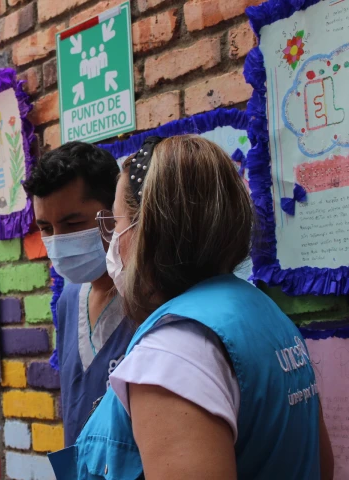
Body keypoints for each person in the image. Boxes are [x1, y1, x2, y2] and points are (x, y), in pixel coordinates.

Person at [66, 135, 334, 479]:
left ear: (146, 227)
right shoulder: (263, 313)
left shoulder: (172, 354)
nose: (113, 242)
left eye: (115, 224)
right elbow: (321, 466)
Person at [23, 141, 134, 447]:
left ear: (114, 212)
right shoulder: (69, 300)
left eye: (73, 223)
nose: (59, 240)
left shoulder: (148, 300)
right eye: (45, 227)